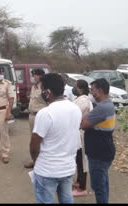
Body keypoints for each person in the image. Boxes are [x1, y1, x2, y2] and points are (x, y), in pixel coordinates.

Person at [29, 73, 82, 204]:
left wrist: (36, 161)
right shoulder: (75, 109)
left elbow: (34, 145)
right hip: (68, 169)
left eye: (42, 89)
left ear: (47, 92)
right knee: (67, 200)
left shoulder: (45, 113)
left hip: (47, 171)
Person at [81, 78, 116, 204]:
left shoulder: (101, 108)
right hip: (105, 151)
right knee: (103, 182)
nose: (90, 93)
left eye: (92, 90)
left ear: (99, 91)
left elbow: (83, 124)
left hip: (98, 154)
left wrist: (85, 114)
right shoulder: (108, 104)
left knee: (98, 187)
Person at [72, 80, 93, 197]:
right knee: (78, 159)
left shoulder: (84, 101)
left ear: (81, 89)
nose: (73, 89)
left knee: (82, 160)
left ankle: (82, 187)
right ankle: (79, 181)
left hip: (82, 133)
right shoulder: (80, 99)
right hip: (78, 132)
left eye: (75, 87)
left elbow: (74, 115)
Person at [24, 68, 47, 169]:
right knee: (33, 139)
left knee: (42, 139)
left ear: (41, 76)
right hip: (32, 115)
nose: (33, 77)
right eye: (32, 75)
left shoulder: (45, 87)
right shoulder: (34, 87)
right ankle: (34, 160)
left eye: (34, 75)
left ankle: (43, 162)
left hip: (41, 116)